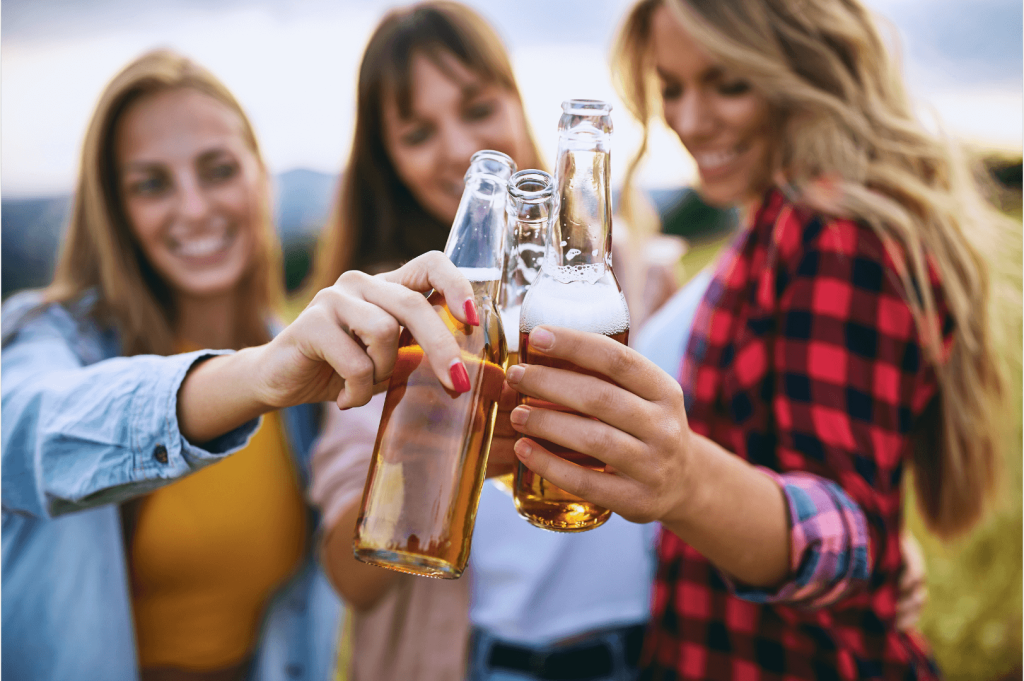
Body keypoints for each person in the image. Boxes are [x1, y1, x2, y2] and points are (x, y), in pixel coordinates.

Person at [503, 0, 1017, 678]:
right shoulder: (773, 221)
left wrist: (686, 478)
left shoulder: (836, 233)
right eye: (672, 88)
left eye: (729, 83)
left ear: (803, 71)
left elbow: (851, 531)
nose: (688, 120)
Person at [0, 49, 479, 681]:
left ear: (260, 177)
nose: (194, 208)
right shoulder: (52, 336)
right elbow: (23, 432)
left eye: (218, 170)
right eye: (151, 184)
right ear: (115, 208)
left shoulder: (312, 378)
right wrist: (255, 376)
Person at [308, 4, 660, 680]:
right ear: (387, 160)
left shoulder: (627, 278)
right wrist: (415, 456)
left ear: (515, 101)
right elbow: (346, 576)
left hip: (644, 652)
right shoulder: (389, 313)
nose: (458, 146)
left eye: (477, 107)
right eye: (417, 132)